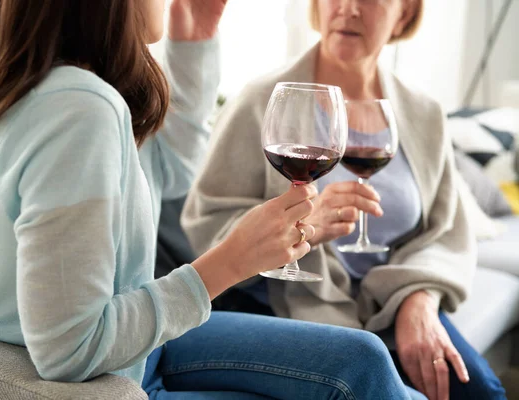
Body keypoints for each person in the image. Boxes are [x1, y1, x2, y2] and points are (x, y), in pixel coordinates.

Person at [0, 0, 417, 398]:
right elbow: (69, 350)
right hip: (116, 373)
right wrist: (232, 260)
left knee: (365, 358)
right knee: (363, 368)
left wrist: (193, 43)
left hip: (139, 349)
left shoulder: (11, 89)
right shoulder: (77, 108)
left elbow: (172, 172)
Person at [181, 0, 507, 399]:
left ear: (403, 14)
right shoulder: (263, 101)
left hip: (395, 298)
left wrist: (418, 299)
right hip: (291, 302)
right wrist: (302, 229)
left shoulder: (424, 113)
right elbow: (207, 228)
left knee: (481, 392)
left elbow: (445, 231)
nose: (349, 9)